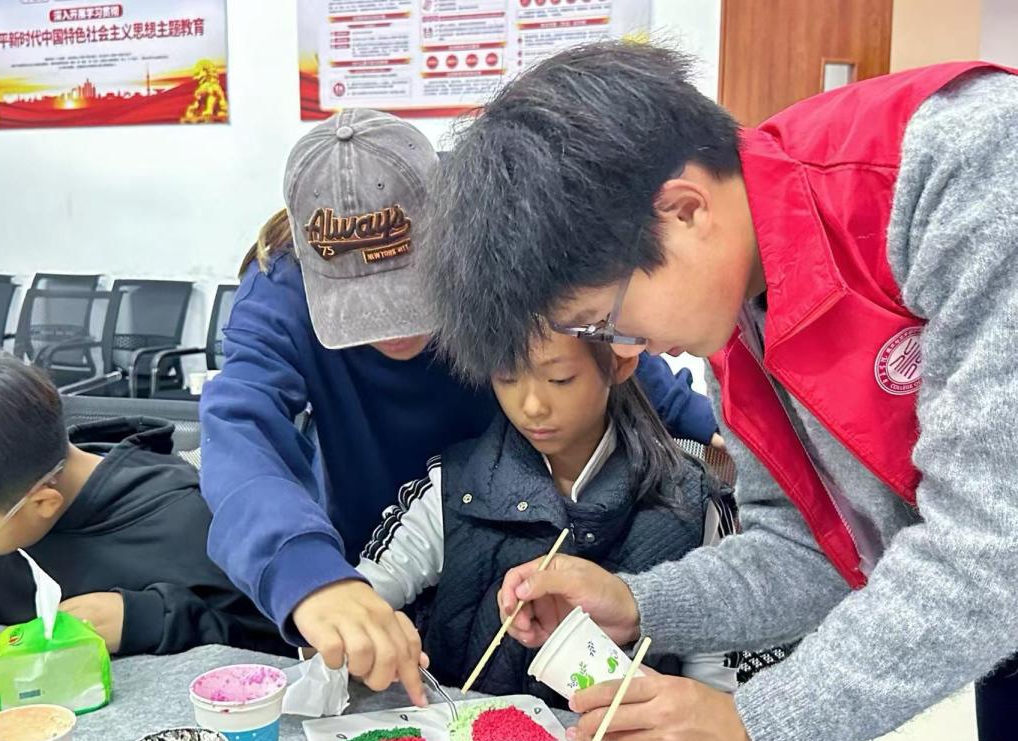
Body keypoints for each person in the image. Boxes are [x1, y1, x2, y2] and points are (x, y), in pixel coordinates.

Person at [422, 43, 1018, 741]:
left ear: (683, 211)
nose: (630, 350)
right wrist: (637, 604)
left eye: (604, 320)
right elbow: (808, 549)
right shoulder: (731, 306)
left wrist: (758, 725)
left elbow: (994, 544)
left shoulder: (969, 162)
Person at [198, 109, 721, 707]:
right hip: (387, 539)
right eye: (363, 307)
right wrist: (308, 573)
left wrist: (700, 419)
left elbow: (594, 334)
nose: (395, 332)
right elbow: (238, 428)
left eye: (412, 290)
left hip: (509, 499)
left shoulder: (496, 223)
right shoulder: (281, 289)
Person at [357, 328, 737, 702]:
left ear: (620, 364)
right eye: (507, 377)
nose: (532, 406)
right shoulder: (454, 483)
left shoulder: (692, 503)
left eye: (560, 379)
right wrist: (368, 623)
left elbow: (715, 690)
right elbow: (364, 593)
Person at [0, 353, 286, 657]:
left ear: (43, 503)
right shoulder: (13, 502)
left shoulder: (189, 525)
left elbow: (284, 649)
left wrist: (151, 618)